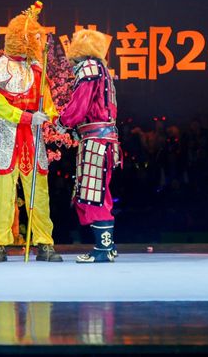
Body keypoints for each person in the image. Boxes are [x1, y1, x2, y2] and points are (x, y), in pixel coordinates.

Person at [0, 0, 62, 263]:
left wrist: (54, 118)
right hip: (7, 136)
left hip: (33, 138)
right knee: (3, 192)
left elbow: (48, 103)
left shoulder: (37, 70)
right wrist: (27, 117)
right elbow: (0, 108)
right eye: (35, 37)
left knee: (39, 192)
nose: (39, 42)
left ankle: (44, 243)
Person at [55, 29, 121, 263]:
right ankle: (108, 247)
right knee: (100, 192)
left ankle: (103, 249)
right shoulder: (102, 69)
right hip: (104, 139)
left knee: (94, 194)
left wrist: (62, 121)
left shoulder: (89, 68)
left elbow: (80, 104)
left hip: (96, 141)